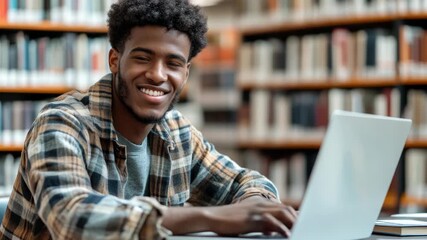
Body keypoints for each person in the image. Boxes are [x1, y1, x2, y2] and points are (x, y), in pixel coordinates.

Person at [0, 0, 297, 239]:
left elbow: (247, 182)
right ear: (115, 60)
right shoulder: (63, 122)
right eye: (143, 57)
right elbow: (73, 219)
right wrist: (212, 217)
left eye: (173, 63)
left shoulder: (177, 132)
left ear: (186, 73)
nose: (157, 74)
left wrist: (253, 208)